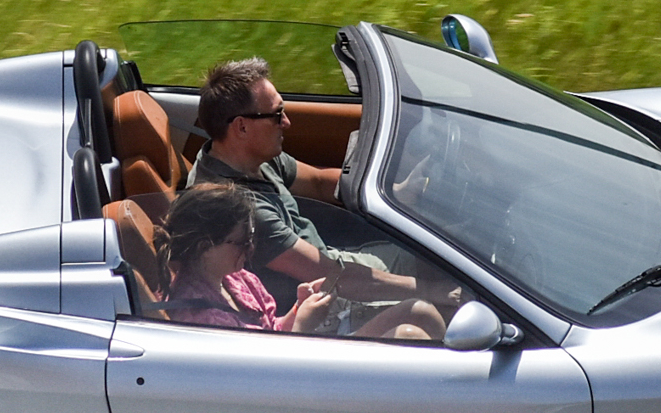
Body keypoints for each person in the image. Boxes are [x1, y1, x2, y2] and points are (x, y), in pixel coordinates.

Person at [187, 57, 457, 319]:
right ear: (242, 127)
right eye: (277, 114)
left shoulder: (245, 157)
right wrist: (431, 291)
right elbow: (331, 276)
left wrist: (397, 192)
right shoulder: (239, 208)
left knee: (444, 257)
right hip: (320, 303)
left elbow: (317, 181)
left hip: (332, 264)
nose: (287, 122)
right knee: (444, 308)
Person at [156, 183, 436, 341]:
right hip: (296, 377)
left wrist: (298, 309)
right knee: (410, 334)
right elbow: (260, 379)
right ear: (206, 247)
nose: (252, 246)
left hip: (295, 352)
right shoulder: (200, 319)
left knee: (421, 311)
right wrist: (303, 323)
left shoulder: (235, 278)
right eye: (242, 241)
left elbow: (270, 329)